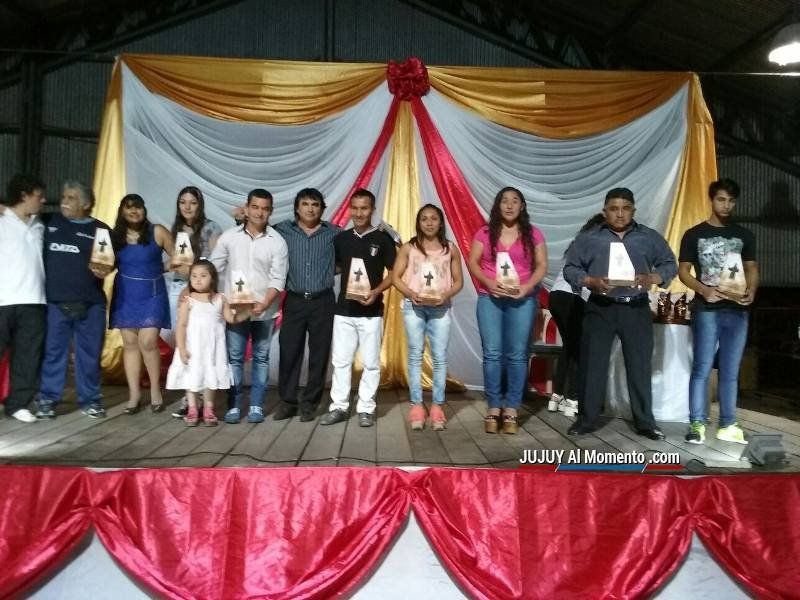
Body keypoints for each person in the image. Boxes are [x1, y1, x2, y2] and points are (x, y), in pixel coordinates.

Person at [564, 187, 677, 440]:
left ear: (633, 211)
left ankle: (645, 422)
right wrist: (590, 280)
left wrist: (652, 277)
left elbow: (670, 264)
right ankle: (587, 420)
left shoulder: (648, 237)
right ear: (604, 211)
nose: (620, 214)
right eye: (614, 209)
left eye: (625, 208)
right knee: (593, 365)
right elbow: (570, 268)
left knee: (639, 366)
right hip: (600, 307)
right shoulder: (589, 238)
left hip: (635, 308)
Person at [679, 178, 758, 445]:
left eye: (731, 200)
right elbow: (683, 271)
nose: (726, 205)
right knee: (702, 367)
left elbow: (752, 268)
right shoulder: (694, 234)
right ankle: (697, 423)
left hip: (737, 309)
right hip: (707, 309)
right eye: (721, 199)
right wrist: (703, 290)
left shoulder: (744, 234)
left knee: (731, 370)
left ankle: (728, 424)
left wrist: (752, 289)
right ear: (712, 200)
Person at [467, 187, 548, 435]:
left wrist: (527, 288)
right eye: (505, 201)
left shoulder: (533, 233)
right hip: (490, 298)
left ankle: (512, 407)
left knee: (517, 354)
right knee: (492, 353)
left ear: (522, 206)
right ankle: (494, 406)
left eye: (515, 201)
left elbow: (542, 265)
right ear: (498, 205)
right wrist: (488, 282)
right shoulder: (484, 233)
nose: (510, 205)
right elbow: (473, 262)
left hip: (522, 299)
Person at [210, 189, 288, 424]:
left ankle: (256, 405)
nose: (259, 213)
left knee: (261, 358)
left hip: (265, 310)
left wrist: (265, 303)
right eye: (255, 207)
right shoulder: (229, 237)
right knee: (234, 359)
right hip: (235, 311)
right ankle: (234, 405)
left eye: (265, 209)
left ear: (270, 211)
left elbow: (278, 278)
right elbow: (214, 269)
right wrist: (220, 299)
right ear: (246, 208)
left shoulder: (277, 242)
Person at [319, 189, 396, 428]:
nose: (359, 213)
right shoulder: (341, 239)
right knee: (341, 361)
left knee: (371, 363)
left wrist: (376, 292)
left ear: (372, 210)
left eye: (364, 208)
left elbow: (394, 274)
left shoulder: (383, 239)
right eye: (355, 208)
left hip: (371, 312)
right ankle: (339, 406)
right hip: (343, 311)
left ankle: (366, 408)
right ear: (350, 209)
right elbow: (336, 268)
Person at [36, 181, 112, 419]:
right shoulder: (49, 223)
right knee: (53, 353)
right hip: (55, 303)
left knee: (89, 355)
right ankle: (48, 399)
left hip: (90, 304)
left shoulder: (101, 230)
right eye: (63, 197)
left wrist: (103, 268)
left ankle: (91, 400)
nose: (64, 202)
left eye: (71, 198)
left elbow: (105, 266)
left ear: (86, 204)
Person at [392, 204, 463, 430]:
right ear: (418, 222)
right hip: (414, 307)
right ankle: (416, 405)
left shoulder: (450, 249)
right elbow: (395, 277)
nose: (429, 222)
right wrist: (410, 293)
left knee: (439, 357)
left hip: (440, 308)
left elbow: (459, 281)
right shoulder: (409, 248)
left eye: (434, 218)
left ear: (441, 222)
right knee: (415, 355)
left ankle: (437, 406)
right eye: (424, 219)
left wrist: (445, 295)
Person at [272, 188, 341, 422]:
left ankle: (310, 403)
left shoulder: (334, 233)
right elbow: (259, 236)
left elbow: (347, 259)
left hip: (323, 301)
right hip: (295, 300)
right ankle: (287, 402)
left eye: (315, 204)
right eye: (305, 204)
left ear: (321, 208)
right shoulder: (282, 230)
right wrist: (240, 218)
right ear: (297, 207)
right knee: (289, 351)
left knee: (319, 354)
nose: (310, 209)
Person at [109, 194, 173, 414]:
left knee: (148, 342)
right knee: (130, 343)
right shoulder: (114, 236)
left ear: (144, 210)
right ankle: (134, 394)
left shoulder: (158, 231)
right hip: (125, 295)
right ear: (122, 211)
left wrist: (162, 268)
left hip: (152, 294)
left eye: (138, 207)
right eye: (129, 208)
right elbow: (105, 263)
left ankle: (155, 390)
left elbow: (180, 256)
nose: (134, 211)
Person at [164, 186, 222, 418]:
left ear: (200, 205)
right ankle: (190, 393)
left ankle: (198, 399)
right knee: (180, 342)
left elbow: (216, 264)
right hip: (177, 289)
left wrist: (192, 287)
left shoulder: (211, 228)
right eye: (183, 202)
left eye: (193, 202)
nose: (187, 207)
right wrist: (168, 267)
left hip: (200, 293)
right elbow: (175, 262)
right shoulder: (176, 229)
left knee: (199, 343)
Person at [166, 260, 243, 427]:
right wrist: (181, 348)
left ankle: (208, 409)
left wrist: (247, 311)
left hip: (213, 349)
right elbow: (181, 325)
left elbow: (231, 318)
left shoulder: (220, 299)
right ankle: (193, 409)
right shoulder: (188, 300)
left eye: (203, 276)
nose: (198, 279)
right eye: (194, 276)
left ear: (212, 278)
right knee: (192, 377)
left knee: (210, 377)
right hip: (193, 347)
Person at [546, 214, 604, 416]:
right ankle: (573, 399)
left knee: (569, 347)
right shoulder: (597, 246)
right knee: (580, 349)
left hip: (556, 295)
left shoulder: (578, 243)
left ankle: (557, 397)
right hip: (572, 297)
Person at [0, 174, 46, 423]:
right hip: (3, 299)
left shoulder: (40, 225)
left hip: (34, 300)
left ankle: (18, 404)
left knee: (28, 357)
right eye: (39, 196)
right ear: (23, 196)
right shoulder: (2, 220)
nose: (43, 200)